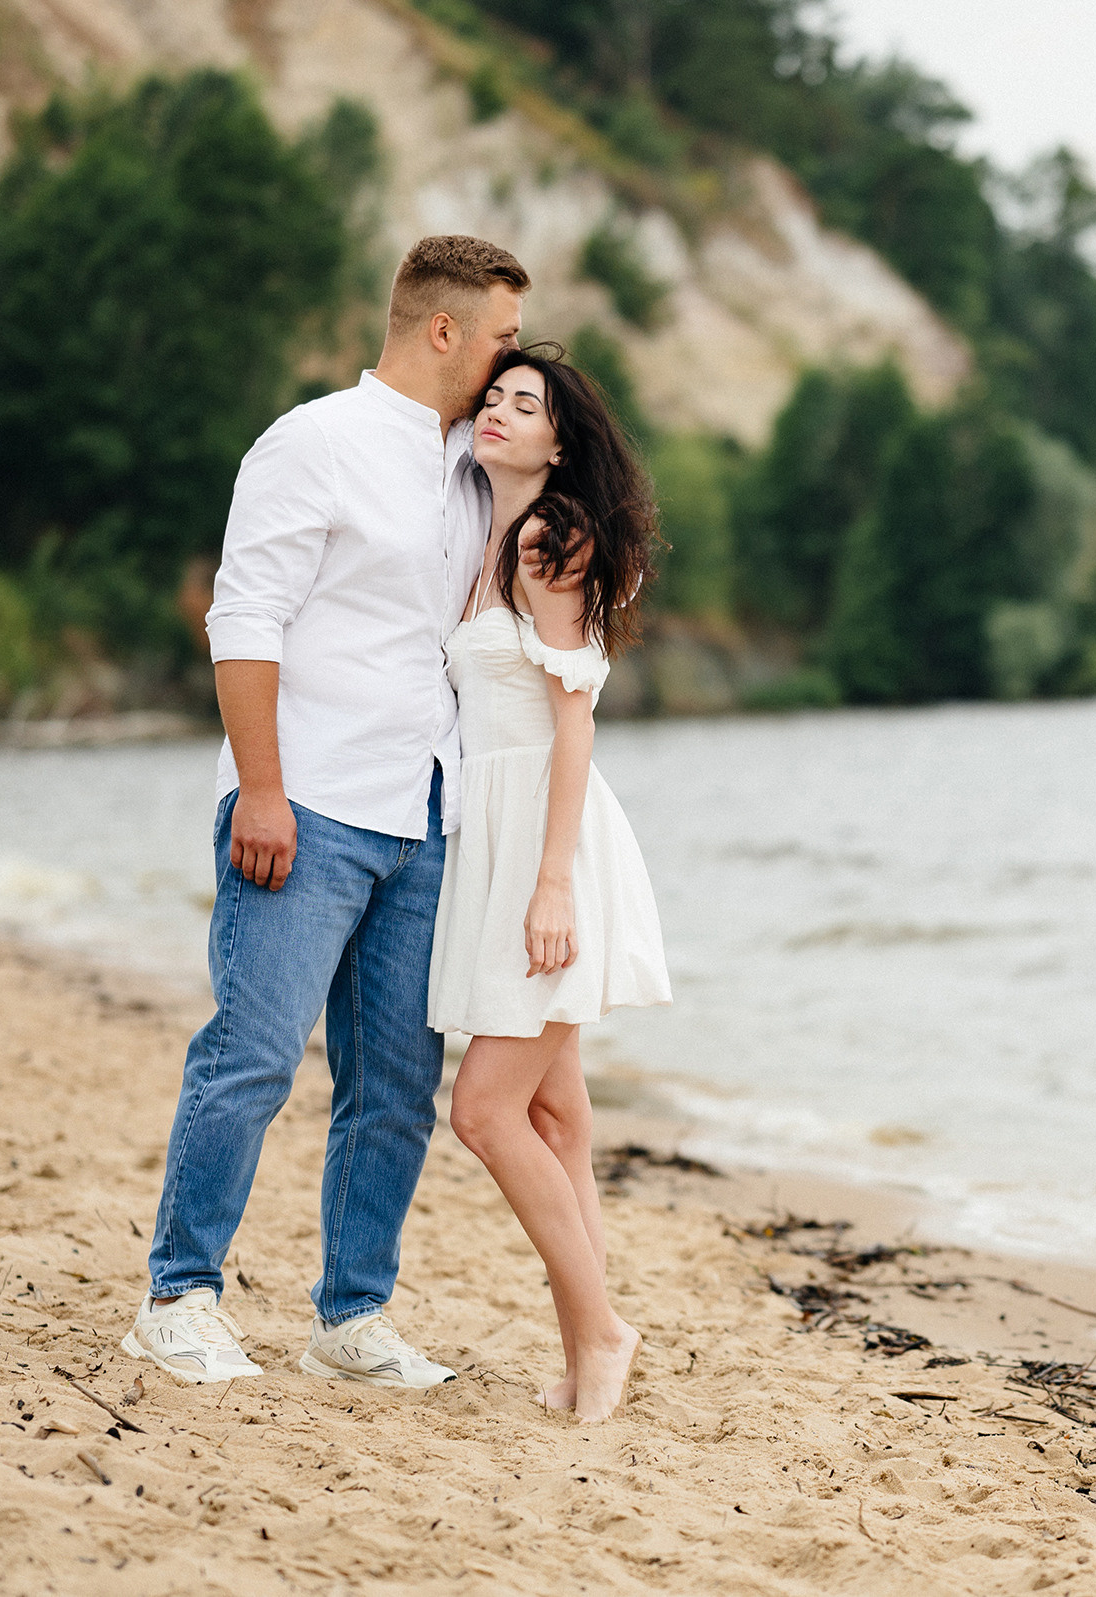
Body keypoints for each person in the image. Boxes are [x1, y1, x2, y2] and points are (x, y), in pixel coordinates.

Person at [122, 236, 529, 1387]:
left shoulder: (469, 467)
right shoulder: (314, 444)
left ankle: (351, 1319)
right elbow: (242, 618)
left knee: (396, 1089)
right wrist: (261, 786)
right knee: (251, 1054)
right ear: (443, 330)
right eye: (501, 337)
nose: (512, 361)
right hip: (305, 803)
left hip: (422, 818)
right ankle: (177, 1296)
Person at [434, 344, 669, 1423]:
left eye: (522, 405)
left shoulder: (549, 535)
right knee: (557, 1115)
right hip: (500, 824)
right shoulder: (486, 530)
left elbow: (574, 721)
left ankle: (601, 1330)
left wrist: (552, 884)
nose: (496, 413)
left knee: (485, 1110)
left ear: (560, 440)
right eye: (491, 398)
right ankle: (588, 1350)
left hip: (547, 834)